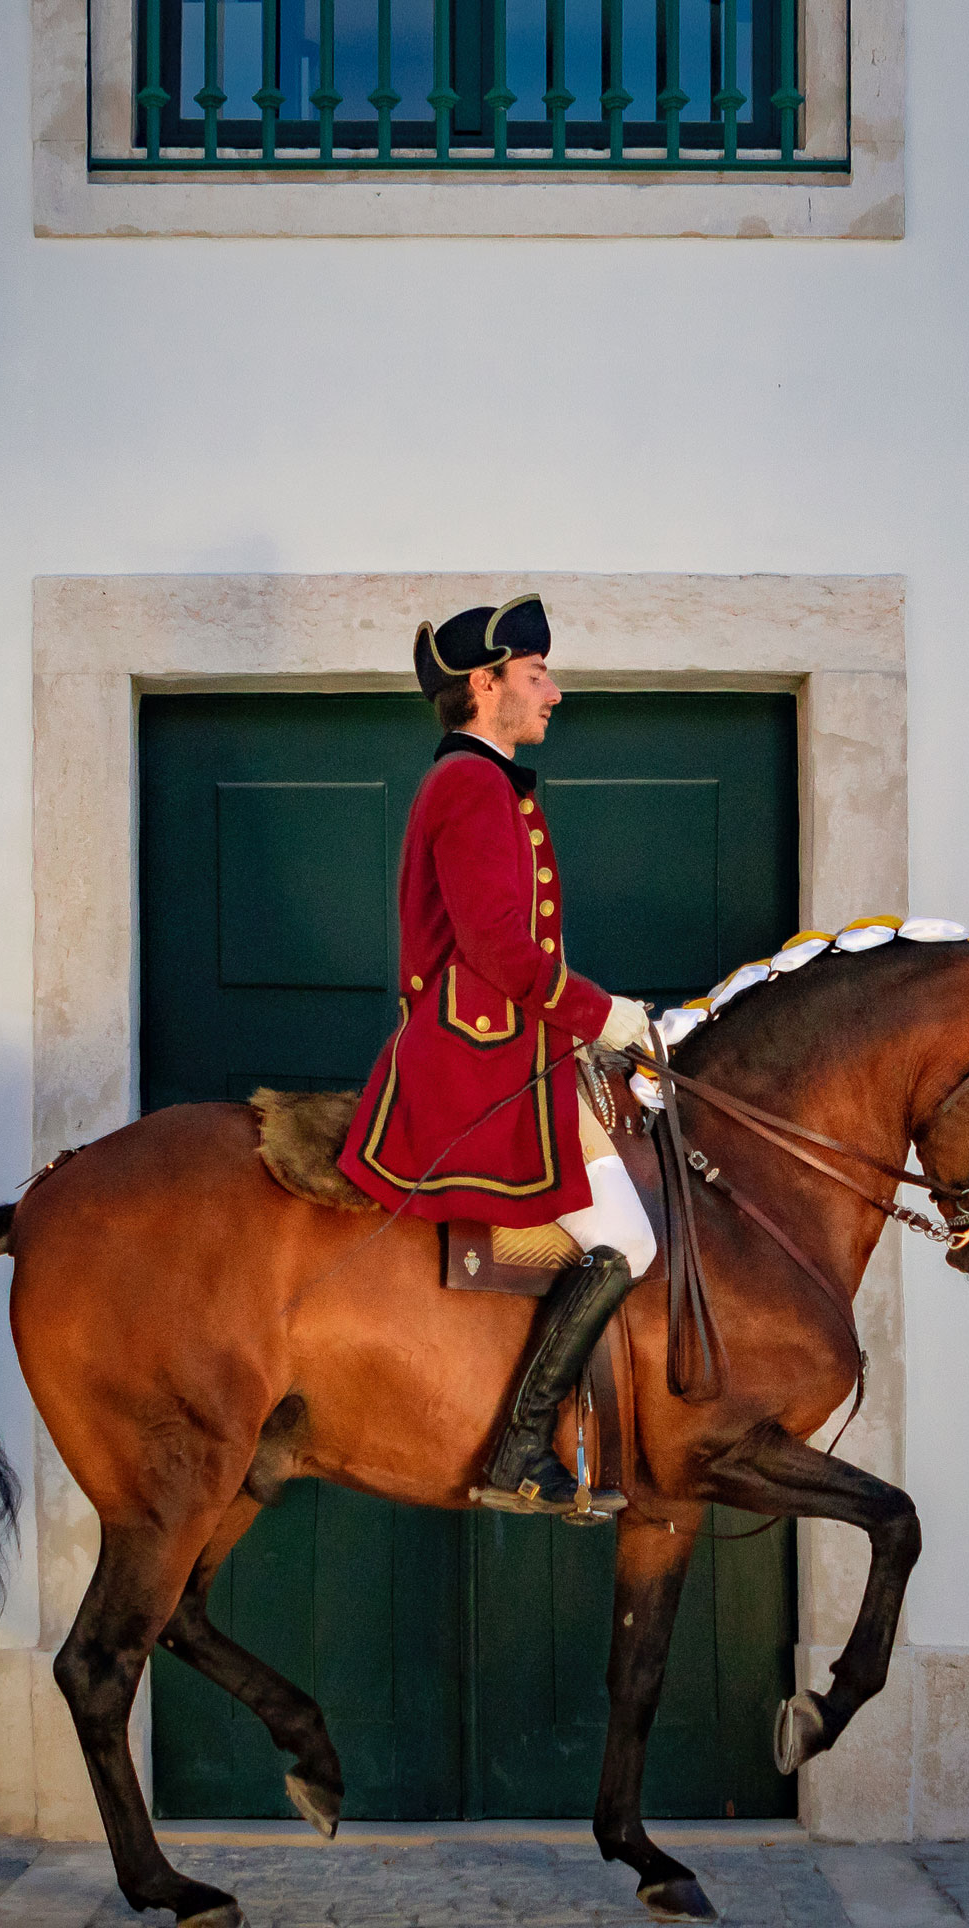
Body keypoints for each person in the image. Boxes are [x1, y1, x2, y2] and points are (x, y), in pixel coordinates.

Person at [338, 596, 658, 1518]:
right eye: (535, 674)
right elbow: (497, 950)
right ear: (485, 685)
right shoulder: (473, 786)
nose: (553, 692)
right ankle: (522, 1449)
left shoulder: (486, 782)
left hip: (513, 1045)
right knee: (629, 1238)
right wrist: (605, 1016)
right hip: (480, 1061)